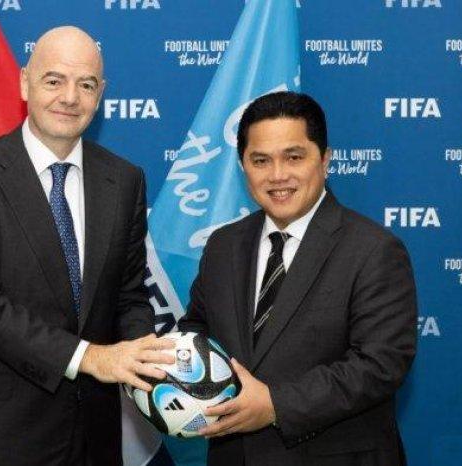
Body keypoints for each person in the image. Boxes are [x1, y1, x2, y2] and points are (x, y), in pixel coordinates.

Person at [0, 26, 173, 466]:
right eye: (54, 80)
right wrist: (90, 357)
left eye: (86, 85)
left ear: (101, 95)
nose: (70, 98)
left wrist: (145, 361)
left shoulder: (125, 180)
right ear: (25, 83)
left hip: (94, 436)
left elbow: (129, 295)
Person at [178, 91, 417, 465]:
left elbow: (379, 364)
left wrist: (275, 405)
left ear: (324, 160)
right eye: (260, 160)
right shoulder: (223, 245)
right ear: (242, 166)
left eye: (293, 157)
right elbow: (197, 331)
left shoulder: (374, 249)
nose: (277, 175)